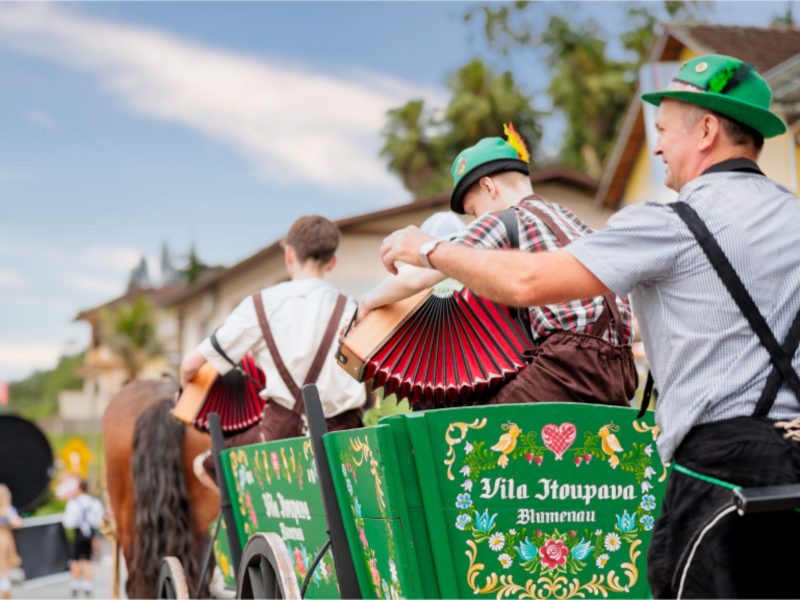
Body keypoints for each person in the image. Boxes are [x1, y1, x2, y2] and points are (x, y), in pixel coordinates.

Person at [378, 54, 800, 598]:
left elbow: (528, 283)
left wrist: (431, 248)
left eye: (665, 130)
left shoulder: (666, 223)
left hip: (718, 469)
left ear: (708, 131)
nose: (656, 146)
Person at [361, 126, 637, 407]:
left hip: (565, 367)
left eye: (473, 211)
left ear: (488, 187)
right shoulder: (575, 222)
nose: (475, 219)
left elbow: (421, 275)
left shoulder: (503, 220)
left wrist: (369, 301)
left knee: (472, 429)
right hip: (620, 371)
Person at [181, 215, 366, 487]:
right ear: (332, 262)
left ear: (289, 254)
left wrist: (186, 389)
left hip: (279, 440)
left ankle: (248, 527)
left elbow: (190, 365)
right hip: (347, 443)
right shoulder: (354, 309)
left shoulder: (259, 306)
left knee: (206, 464)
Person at [62, 480, 103, 597]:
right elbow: (99, 520)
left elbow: (69, 522)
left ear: (79, 489)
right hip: (90, 534)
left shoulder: (73, 503)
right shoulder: (95, 502)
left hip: (78, 534)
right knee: (88, 560)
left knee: (75, 560)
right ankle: (87, 586)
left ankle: (75, 585)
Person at [0, 485, 21, 600]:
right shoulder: (8, 509)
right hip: (4, 538)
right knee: (4, 568)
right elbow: (17, 523)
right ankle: (5, 590)